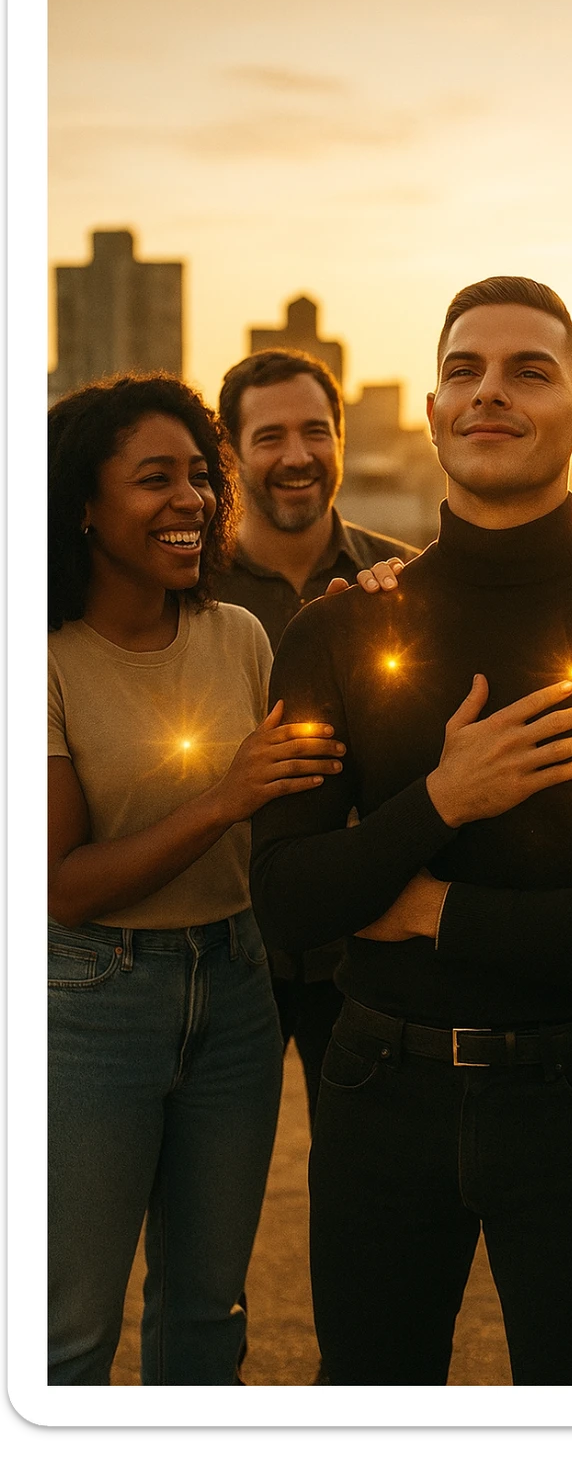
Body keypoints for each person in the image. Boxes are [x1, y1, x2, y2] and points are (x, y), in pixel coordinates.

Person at [249, 277, 572, 1385]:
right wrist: (441, 803)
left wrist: (434, 907)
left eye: (528, 372)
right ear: (429, 411)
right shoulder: (338, 630)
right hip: (378, 1092)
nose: (490, 394)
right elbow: (287, 901)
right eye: (463, 371)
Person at [47, 374, 345, 1385]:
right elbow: (61, 887)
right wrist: (223, 800)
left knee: (207, 1317)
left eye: (199, 479)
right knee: (71, 1329)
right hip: (88, 1001)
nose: (191, 501)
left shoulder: (240, 637)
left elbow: (307, 800)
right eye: (154, 480)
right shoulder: (42, 660)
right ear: (83, 505)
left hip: (235, 987)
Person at [213, 348, 418, 1120]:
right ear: (230, 453)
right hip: (226, 945)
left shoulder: (403, 583)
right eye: (270, 437)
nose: (297, 457)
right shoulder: (187, 592)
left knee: (372, 1200)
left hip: (363, 948)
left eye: (316, 432)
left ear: (340, 438)